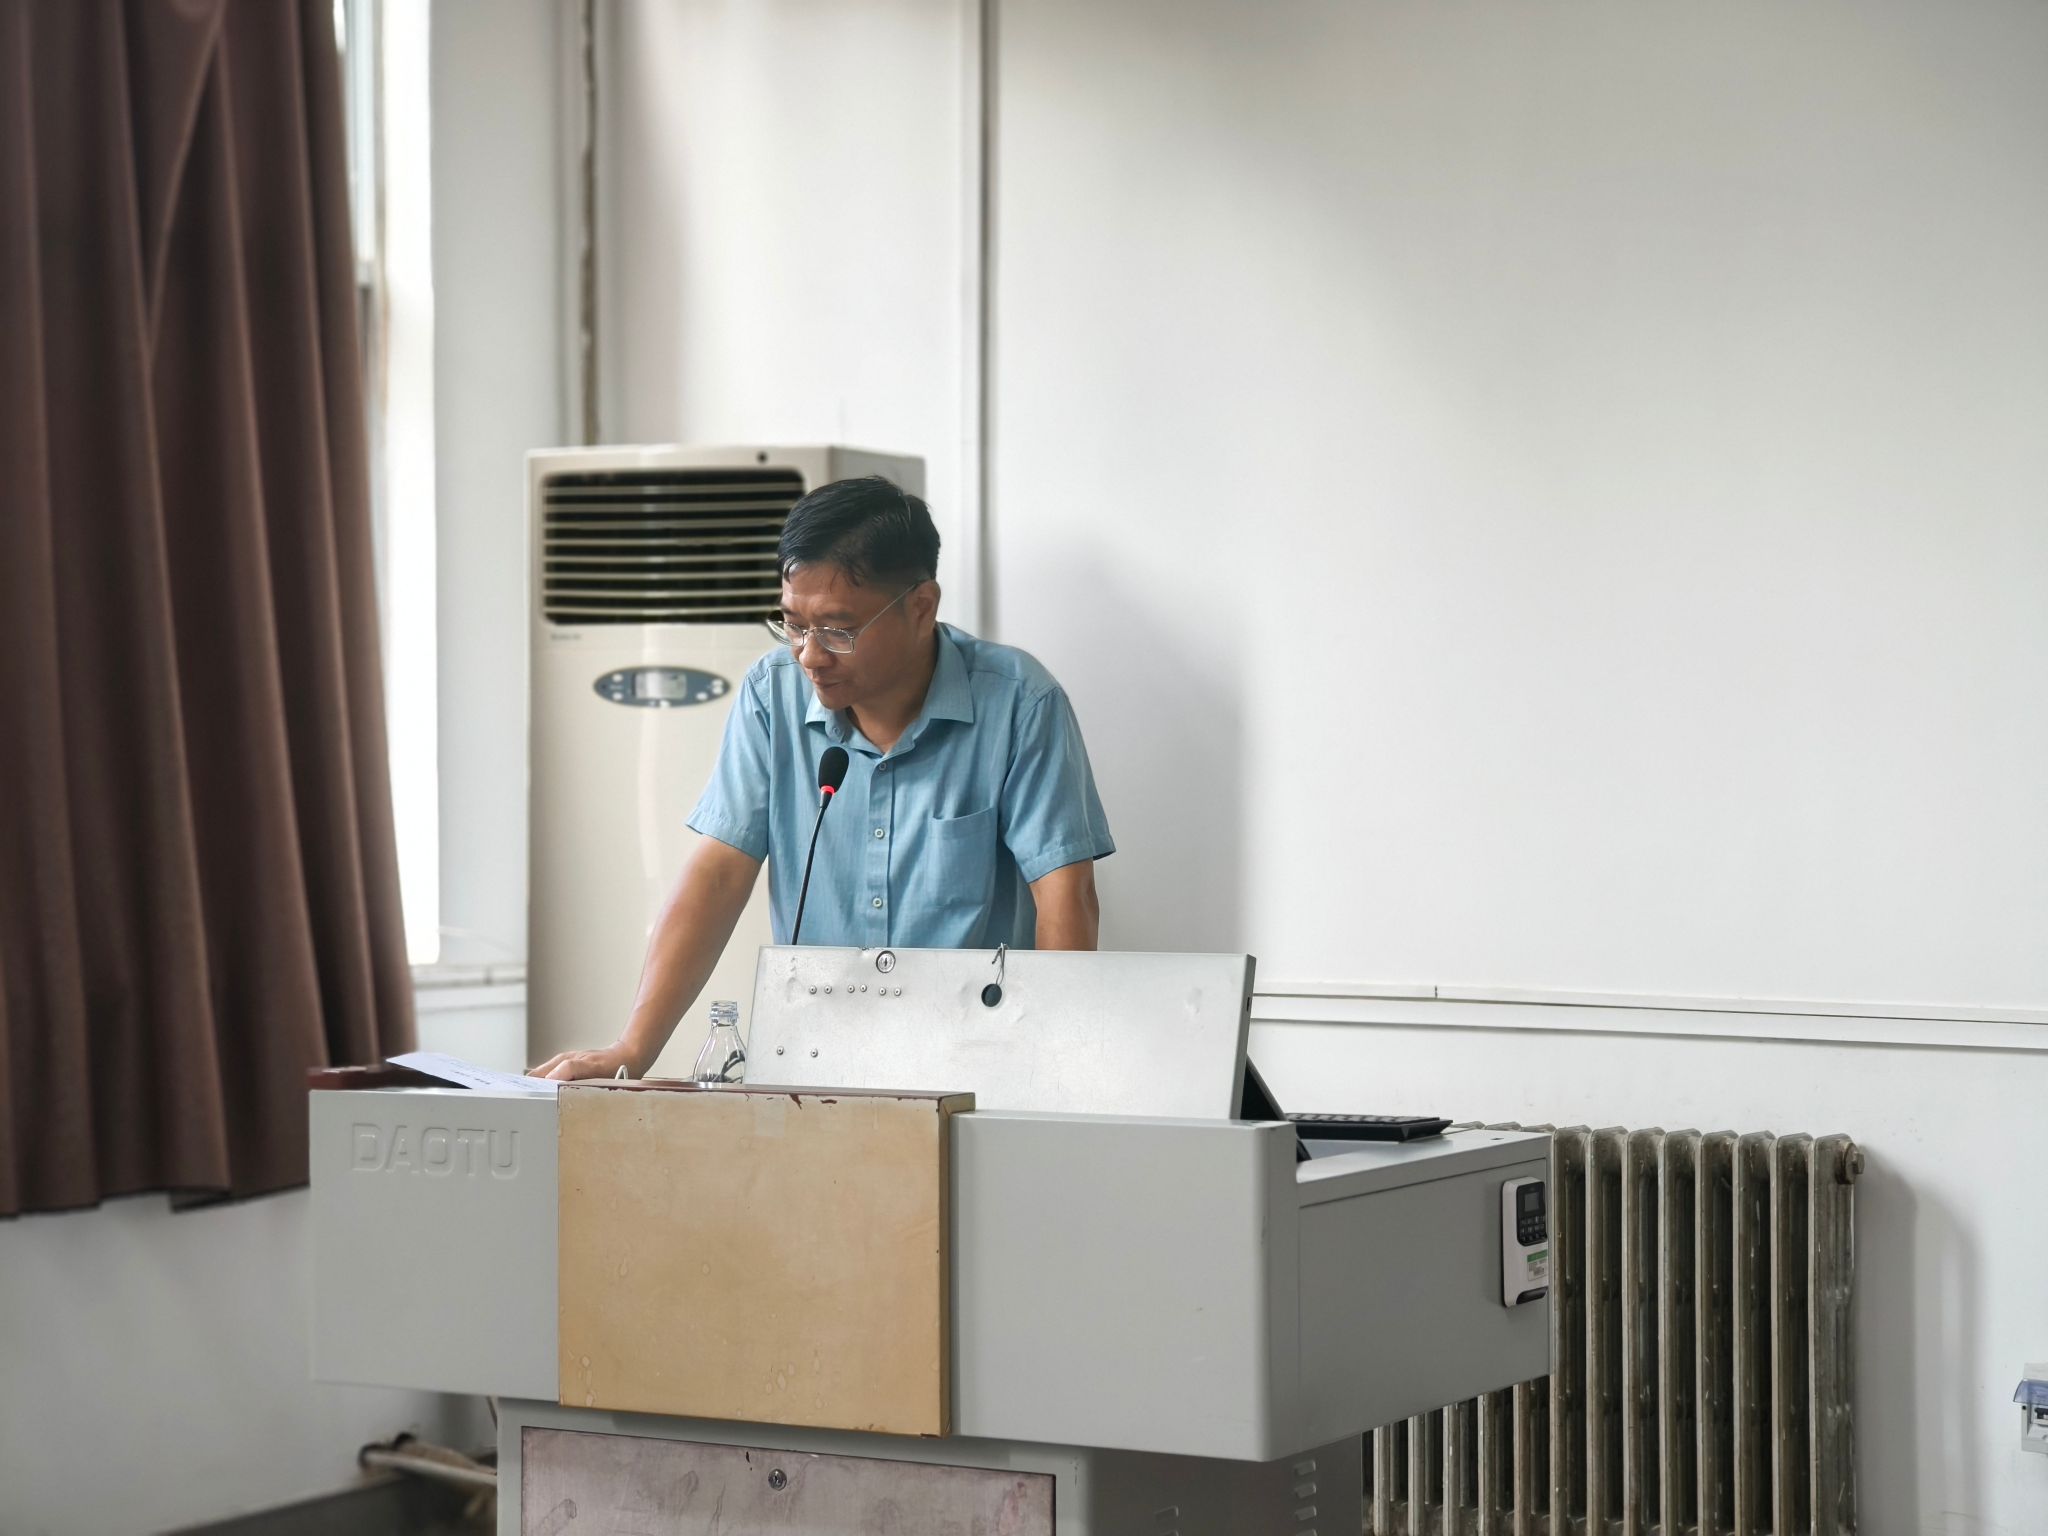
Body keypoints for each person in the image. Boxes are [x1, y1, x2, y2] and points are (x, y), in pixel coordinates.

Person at [530, 476, 1114, 1081]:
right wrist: (632, 1050)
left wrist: (1048, 1070)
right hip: (815, 1064)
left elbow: (1066, 897)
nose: (810, 654)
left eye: (837, 629)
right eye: (793, 624)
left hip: (975, 1063)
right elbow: (719, 874)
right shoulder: (772, 694)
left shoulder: (1019, 703)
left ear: (921, 607)